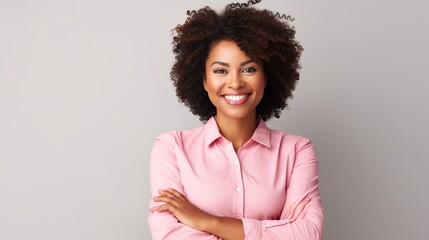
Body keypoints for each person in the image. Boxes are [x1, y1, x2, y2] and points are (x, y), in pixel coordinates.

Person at [148, 1, 323, 239]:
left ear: (266, 77)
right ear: (204, 81)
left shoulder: (297, 151)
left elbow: (308, 234)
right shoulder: (172, 149)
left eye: (248, 69)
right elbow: (169, 234)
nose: (235, 82)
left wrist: (206, 221)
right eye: (221, 71)